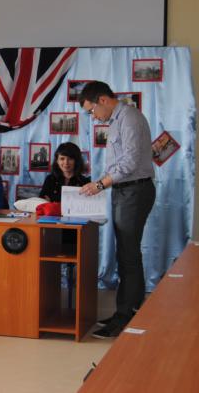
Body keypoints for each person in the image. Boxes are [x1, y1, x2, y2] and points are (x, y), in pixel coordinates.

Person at [78, 81, 156, 339]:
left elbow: (130, 162)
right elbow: (117, 163)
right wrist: (100, 183)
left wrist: (100, 184)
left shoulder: (129, 118)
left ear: (102, 99)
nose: (93, 117)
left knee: (128, 255)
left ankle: (125, 315)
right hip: (124, 191)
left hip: (134, 190)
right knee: (126, 253)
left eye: (92, 110)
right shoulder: (116, 121)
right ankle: (128, 310)